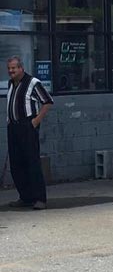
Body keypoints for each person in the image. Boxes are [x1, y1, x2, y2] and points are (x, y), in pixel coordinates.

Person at [6, 56, 54, 210]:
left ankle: (40, 199)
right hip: (13, 128)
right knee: (16, 165)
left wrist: (35, 121)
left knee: (32, 162)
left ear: (21, 68)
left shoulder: (33, 83)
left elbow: (47, 101)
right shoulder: (11, 83)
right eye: (9, 68)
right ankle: (25, 197)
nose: (11, 71)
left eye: (13, 68)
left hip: (28, 126)